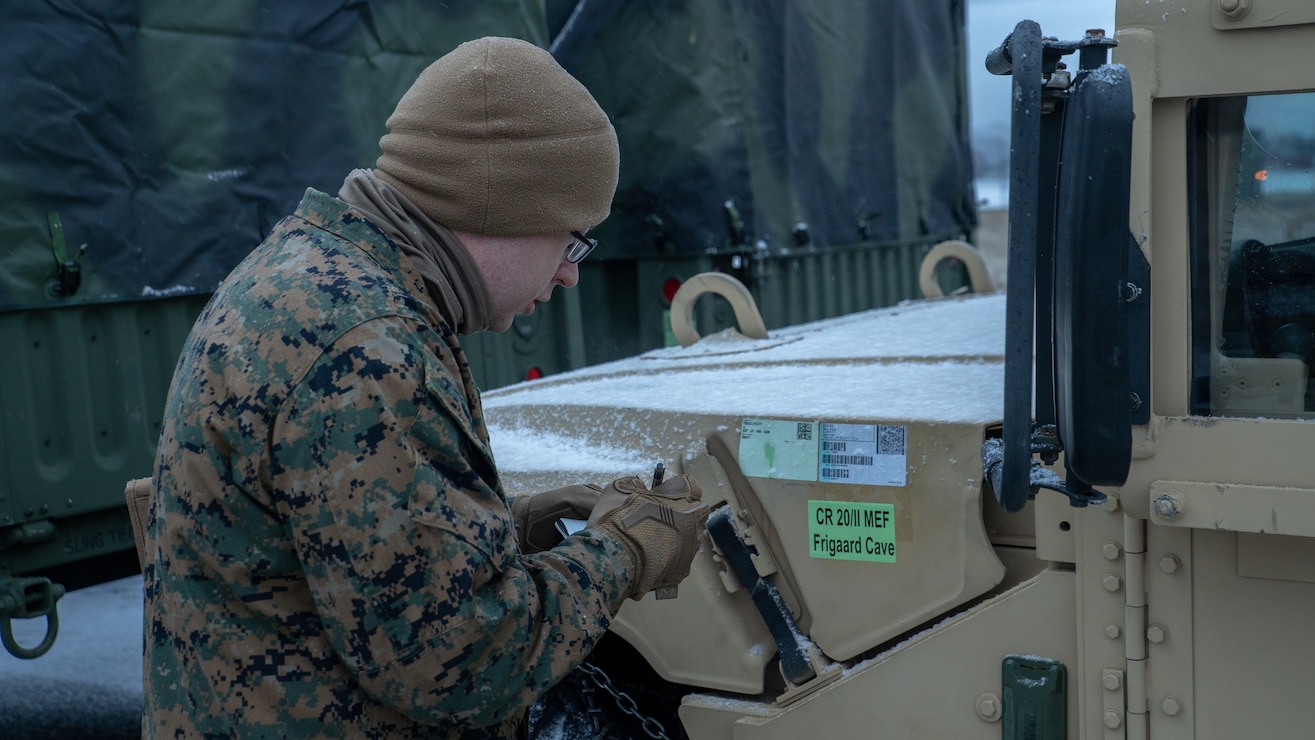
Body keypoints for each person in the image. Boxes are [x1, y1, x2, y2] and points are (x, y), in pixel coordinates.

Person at [141, 36, 710, 738]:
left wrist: (512, 523)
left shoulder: (309, 275)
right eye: (571, 239)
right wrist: (623, 550)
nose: (569, 275)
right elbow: (465, 665)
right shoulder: (366, 353)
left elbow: (335, 540)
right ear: (496, 205)